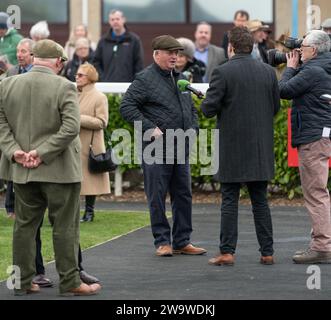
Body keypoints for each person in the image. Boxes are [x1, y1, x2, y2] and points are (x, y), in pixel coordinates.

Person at [0, 39, 101, 296]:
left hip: (23, 169)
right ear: (58, 62)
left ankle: (22, 283)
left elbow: (2, 125)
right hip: (60, 170)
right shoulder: (65, 86)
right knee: (64, 227)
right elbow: (70, 128)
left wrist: (16, 153)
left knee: (24, 227)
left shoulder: (7, 84)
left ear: (34, 58)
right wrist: (41, 153)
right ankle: (70, 283)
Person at [120, 35, 206, 257]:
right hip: (155, 149)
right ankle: (162, 242)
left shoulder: (181, 78)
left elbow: (190, 109)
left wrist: (193, 128)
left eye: (177, 53)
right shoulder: (144, 79)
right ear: (156, 54)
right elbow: (127, 107)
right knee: (157, 196)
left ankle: (182, 240)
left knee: (183, 195)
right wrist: (149, 127)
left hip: (180, 147)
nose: (175, 56)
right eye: (170, 53)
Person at [201, 27, 280, 266]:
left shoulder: (222, 72)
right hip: (259, 148)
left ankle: (227, 252)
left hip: (232, 147)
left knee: (229, 200)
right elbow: (275, 107)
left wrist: (205, 101)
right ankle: (267, 252)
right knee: (260, 201)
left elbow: (208, 109)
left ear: (231, 47)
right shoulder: (268, 72)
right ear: (251, 46)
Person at [279, 30, 331, 264]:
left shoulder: (314, 70)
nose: (300, 52)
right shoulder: (324, 67)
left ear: (315, 50)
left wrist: (290, 67)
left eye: (304, 48)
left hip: (312, 138)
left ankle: (321, 246)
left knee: (316, 193)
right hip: (320, 135)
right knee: (319, 191)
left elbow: (283, 90)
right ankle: (321, 242)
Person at [75, 63, 110, 222]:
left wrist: (78, 118)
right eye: (77, 74)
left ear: (90, 78)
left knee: (90, 180)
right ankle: (72, 212)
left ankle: (89, 212)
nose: (77, 77)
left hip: (90, 144)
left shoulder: (99, 97)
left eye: (81, 75)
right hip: (73, 142)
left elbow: (102, 122)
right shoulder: (73, 93)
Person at [93, 10, 144, 82]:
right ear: (109, 22)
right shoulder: (103, 41)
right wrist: (102, 78)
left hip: (128, 86)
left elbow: (139, 64)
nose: (115, 21)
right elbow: (96, 62)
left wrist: (135, 82)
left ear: (123, 20)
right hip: (107, 86)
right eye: (112, 19)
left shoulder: (134, 40)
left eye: (117, 19)